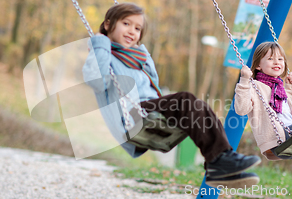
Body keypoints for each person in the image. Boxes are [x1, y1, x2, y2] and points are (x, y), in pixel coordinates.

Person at [82, 3, 261, 188]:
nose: (132, 31)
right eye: (126, 24)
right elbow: (96, 82)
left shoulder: (138, 57)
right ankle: (220, 160)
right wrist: (100, 46)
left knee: (197, 106)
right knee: (186, 99)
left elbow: (154, 86)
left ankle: (220, 162)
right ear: (107, 24)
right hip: (131, 115)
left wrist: (144, 58)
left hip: (148, 110)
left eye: (137, 28)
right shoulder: (102, 54)